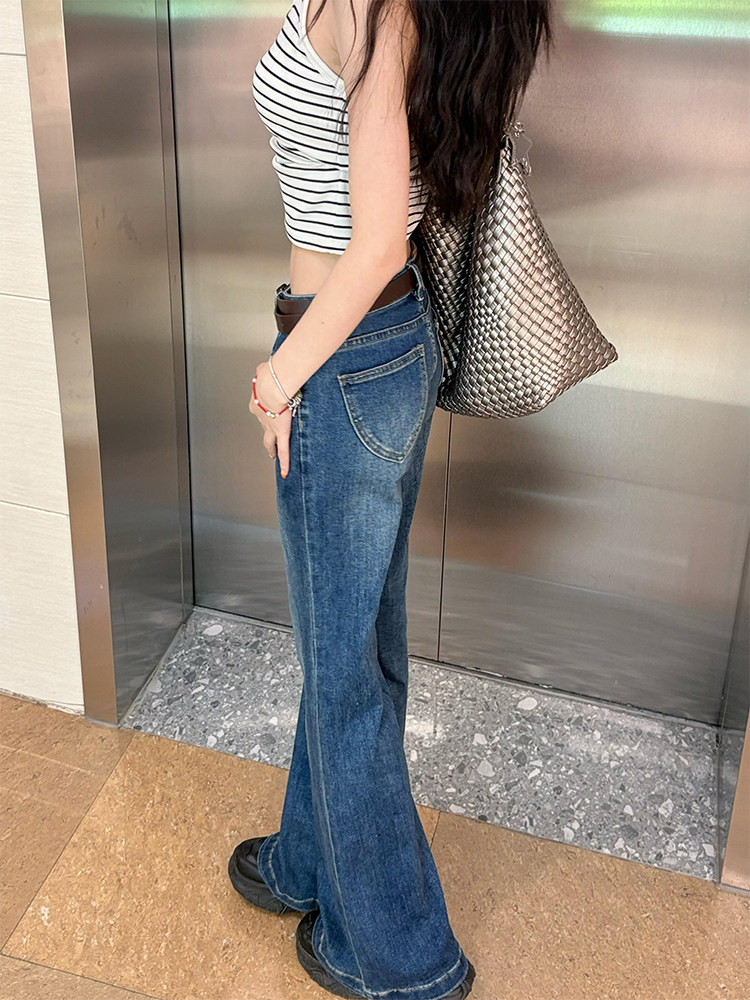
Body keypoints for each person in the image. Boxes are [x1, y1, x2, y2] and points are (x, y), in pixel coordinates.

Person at [228, 1, 553, 997]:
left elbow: (374, 242)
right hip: (372, 354)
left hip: (340, 359)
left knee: (344, 670)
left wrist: (281, 377)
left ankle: (402, 956)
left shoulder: (388, 14)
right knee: (355, 644)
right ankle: (307, 858)